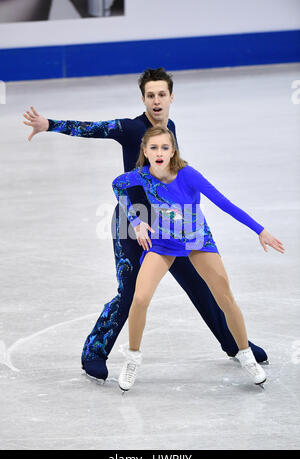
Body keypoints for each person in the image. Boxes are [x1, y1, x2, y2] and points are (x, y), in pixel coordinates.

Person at [23, 67, 268, 383]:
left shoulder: (171, 128)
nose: (156, 101)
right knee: (129, 294)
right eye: (150, 95)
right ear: (143, 99)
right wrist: (49, 125)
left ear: (170, 98)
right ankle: (94, 351)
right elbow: (93, 128)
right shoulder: (129, 128)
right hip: (131, 222)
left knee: (199, 284)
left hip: (169, 225)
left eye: (161, 95)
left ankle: (234, 343)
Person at [112, 126, 285, 391]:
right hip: (163, 242)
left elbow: (223, 203)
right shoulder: (142, 176)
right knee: (140, 297)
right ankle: (133, 357)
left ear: (173, 151)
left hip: (196, 239)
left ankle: (245, 354)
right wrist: (136, 222)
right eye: (154, 148)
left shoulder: (187, 175)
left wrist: (259, 230)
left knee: (224, 297)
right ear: (145, 151)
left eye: (165, 148)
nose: (159, 153)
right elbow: (117, 185)